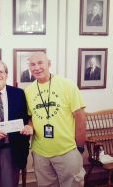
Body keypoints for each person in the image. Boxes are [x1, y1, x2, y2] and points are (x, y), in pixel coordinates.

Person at [24, 52, 86, 187]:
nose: (37, 67)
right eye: (32, 64)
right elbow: (31, 117)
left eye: (40, 63)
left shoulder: (67, 85)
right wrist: (30, 126)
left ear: (49, 64)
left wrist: (79, 147)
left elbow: (80, 117)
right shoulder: (28, 91)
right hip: (40, 153)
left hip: (67, 150)